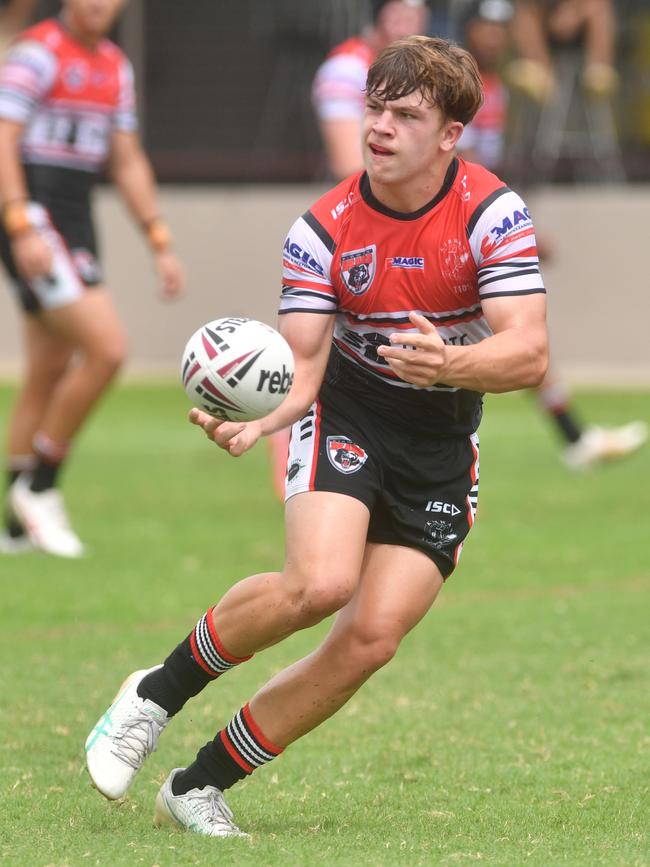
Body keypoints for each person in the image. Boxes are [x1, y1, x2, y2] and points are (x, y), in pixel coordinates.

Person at [85, 35, 549, 837]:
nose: (381, 127)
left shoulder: (490, 213)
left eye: (406, 114)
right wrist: (257, 423)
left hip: (442, 442)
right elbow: (302, 366)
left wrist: (451, 363)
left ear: (449, 135)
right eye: (375, 107)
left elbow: (530, 352)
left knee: (369, 639)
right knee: (321, 583)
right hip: (350, 413)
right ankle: (154, 694)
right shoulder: (324, 228)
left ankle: (196, 786)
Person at [0, 0, 184, 557]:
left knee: (49, 367)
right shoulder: (36, 55)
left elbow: (126, 159)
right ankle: (41, 485)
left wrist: (158, 239)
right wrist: (18, 220)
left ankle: (13, 524)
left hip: (75, 216)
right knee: (108, 349)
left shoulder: (114, 66)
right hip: (34, 216)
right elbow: (3, 139)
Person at [456, 0, 647, 468]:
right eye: (487, 27)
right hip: (446, 231)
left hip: (469, 227)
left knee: (517, 337)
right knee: (505, 338)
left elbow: (477, 175)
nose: (495, 37)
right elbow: (452, 170)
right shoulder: (455, 89)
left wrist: (511, 229)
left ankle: (574, 438)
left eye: (502, 28)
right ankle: (574, 438)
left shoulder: (495, 88)